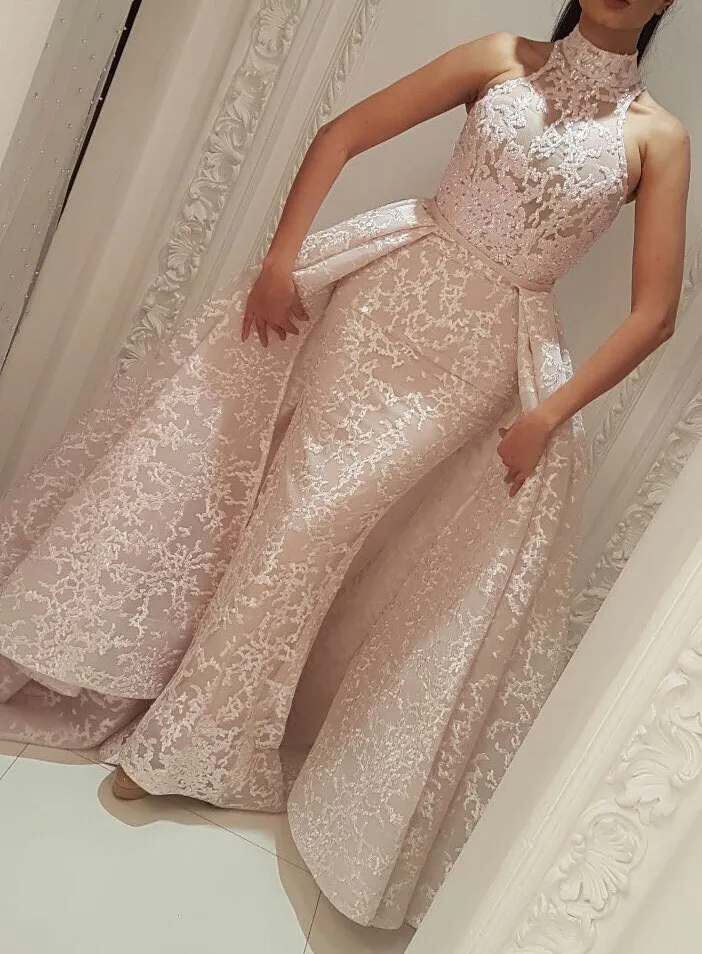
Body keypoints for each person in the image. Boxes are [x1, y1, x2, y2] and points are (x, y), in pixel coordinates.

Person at [0, 0, 690, 931]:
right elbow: (342, 133)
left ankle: (201, 740)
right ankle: (198, 733)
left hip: (479, 358)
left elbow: (655, 315)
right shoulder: (500, 57)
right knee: (288, 515)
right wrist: (280, 261)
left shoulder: (658, 138)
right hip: (386, 300)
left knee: (318, 528)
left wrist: (550, 412)